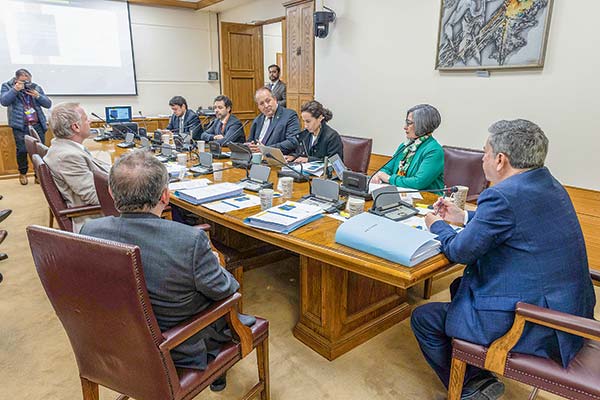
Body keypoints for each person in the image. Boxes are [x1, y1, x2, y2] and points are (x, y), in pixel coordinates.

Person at [411, 119, 596, 400]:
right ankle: (475, 371)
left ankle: (471, 386)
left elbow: (459, 252)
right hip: (569, 310)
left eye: (485, 152)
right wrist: (464, 217)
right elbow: (516, 226)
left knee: (425, 317)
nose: (482, 158)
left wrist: (436, 224)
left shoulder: (501, 195)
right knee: (459, 288)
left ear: (500, 160)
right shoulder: (547, 184)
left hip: (537, 322)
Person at [80, 150, 243, 391]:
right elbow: (225, 290)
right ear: (165, 196)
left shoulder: (89, 231)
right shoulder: (190, 240)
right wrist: (216, 263)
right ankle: (217, 370)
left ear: (111, 193)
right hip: (176, 345)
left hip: (116, 340)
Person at [43, 103, 110, 232]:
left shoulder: (64, 146)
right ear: (76, 127)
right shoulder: (68, 156)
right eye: (86, 119)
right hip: (94, 219)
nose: (89, 121)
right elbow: (95, 197)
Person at [371, 104, 444, 190]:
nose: (405, 127)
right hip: (399, 194)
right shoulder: (406, 145)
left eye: (409, 123)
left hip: (425, 200)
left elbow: (418, 182)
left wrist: (389, 178)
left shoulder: (434, 151)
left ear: (422, 125)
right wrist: (380, 175)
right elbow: (387, 168)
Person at [0, 69, 52, 185]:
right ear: (16, 79)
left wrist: (38, 96)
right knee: (22, 151)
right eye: (23, 81)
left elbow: (48, 104)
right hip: (20, 125)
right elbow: (4, 101)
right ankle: (22, 173)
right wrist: (15, 90)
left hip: (37, 124)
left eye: (28, 80)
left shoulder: (35, 87)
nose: (26, 83)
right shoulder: (7, 86)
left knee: (39, 151)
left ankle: (39, 175)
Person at [247, 87, 300, 155]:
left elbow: (292, 141)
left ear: (275, 99)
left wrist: (266, 149)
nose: (266, 105)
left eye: (268, 101)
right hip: (256, 158)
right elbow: (250, 141)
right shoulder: (258, 120)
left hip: (277, 160)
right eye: (261, 103)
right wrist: (249, 146)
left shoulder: (289, 115)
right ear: (258, 107)